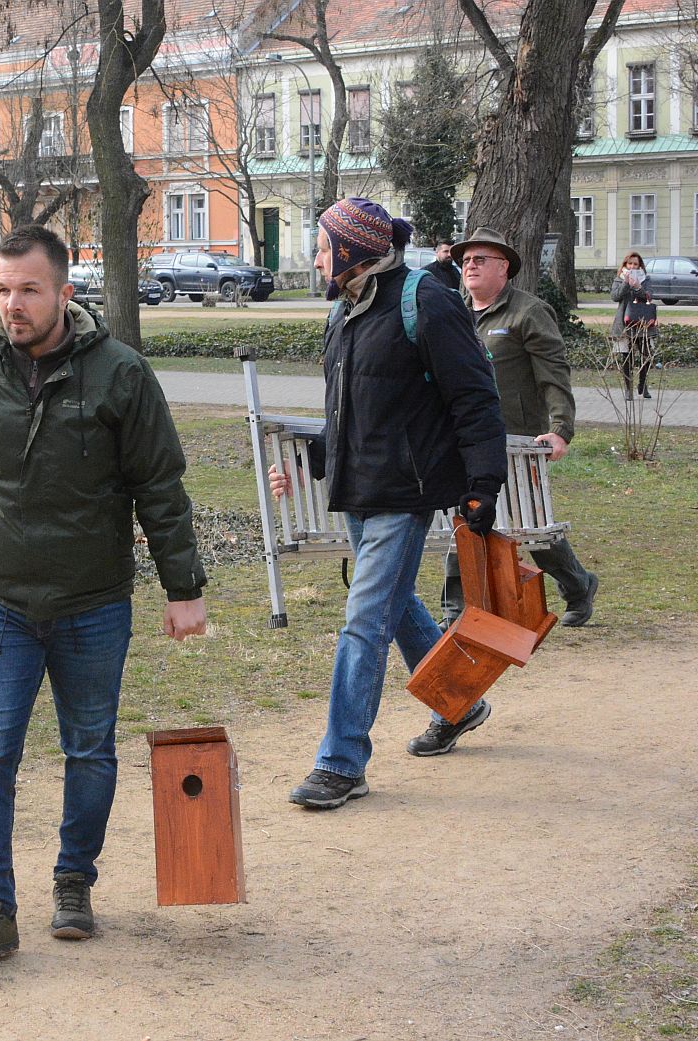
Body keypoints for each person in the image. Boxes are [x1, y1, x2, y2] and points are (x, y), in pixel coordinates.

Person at [0, 223, 208, 969]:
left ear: (64, 291)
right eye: (2, 290)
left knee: (89, 749)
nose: (12, 304)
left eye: (28, 289)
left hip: (94, 601)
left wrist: (183, 588)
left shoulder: (121, 374)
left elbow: (160, 487)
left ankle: (74, 882)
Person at [268, 197, 506, 809]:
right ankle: (459, 701)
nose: (315, 259)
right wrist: (310, 462)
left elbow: (475, 398)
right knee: (393, 608)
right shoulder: (343, 310)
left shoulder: (426, 300)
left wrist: (482, 486)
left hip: (406, 493)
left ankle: (341, 763)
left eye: (322, 247)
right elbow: (349, 406)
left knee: (364, 619)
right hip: (359, 489)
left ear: (350, 250)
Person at [440, 227, 599, 647]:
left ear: (504, 268)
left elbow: (554, 375)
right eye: (465, 260)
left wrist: (560, 429)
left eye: (480, 259)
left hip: (518, 440)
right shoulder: (454, 312)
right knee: (465, 516)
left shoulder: (528, 312)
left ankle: (578, 585)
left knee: (530, 525)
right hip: (465, 438)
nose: (470, 266)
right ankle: (454, 612)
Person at [610, 251, 656, 400]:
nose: (632, 266)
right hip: (624, 322)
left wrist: (637, 287)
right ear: (625, 264)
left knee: (646, 355)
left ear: (639, 265)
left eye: (635, 264)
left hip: (642, 321)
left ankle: (643, 384)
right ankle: (628, 389)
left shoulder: (645, 279)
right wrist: (626, 283)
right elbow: (615, 296)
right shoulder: (619, 279)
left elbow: (649, 296)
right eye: (629, 263)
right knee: (626, 356)